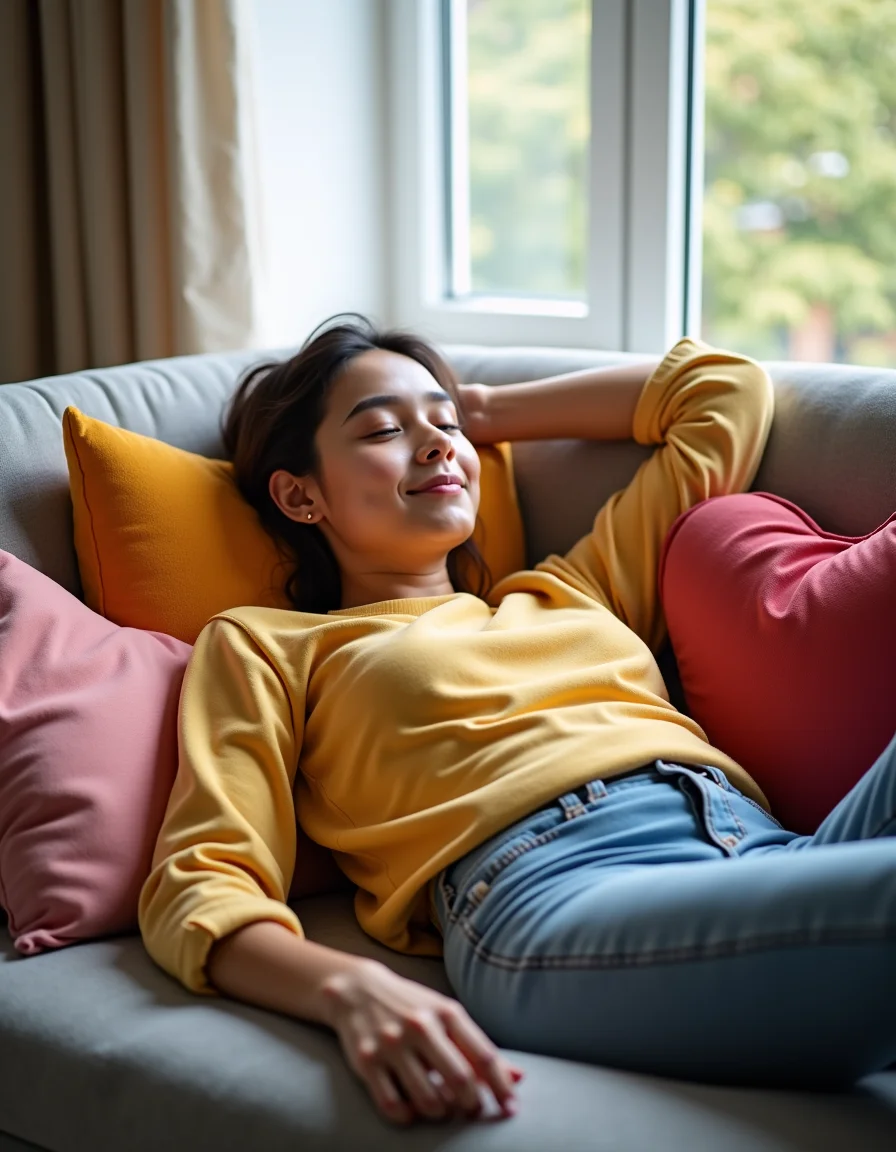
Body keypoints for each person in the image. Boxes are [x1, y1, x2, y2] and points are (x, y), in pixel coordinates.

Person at [138, 314, 896, 1127]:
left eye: (444, 425)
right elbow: (200, 881)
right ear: (299, 494)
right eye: (386, 430)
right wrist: (350, 989)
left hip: (774, 851)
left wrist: (485, 410)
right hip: (554, 898)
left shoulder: (567, 591)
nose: (435, 444)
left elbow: (723, 394)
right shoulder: (271, 644)